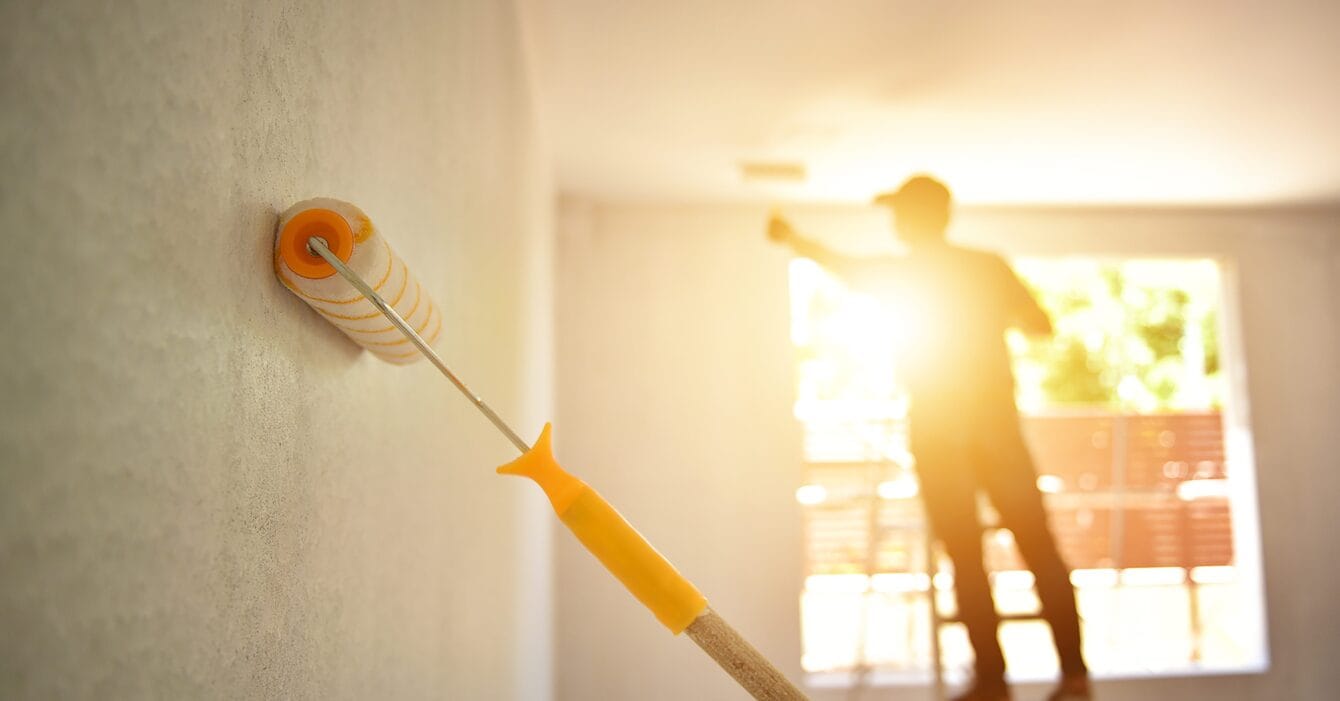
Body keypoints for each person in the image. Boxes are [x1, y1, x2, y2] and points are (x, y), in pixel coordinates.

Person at [768, 175, 1090, 701]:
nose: (893, 223)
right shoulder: (984, 266)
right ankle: (1070, 678)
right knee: (1035, 546)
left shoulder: (906, 274)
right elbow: (1039, 325)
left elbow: (845, 265)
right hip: (992, 427)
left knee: (966, 552)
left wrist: (794, 238)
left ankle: (994, 681)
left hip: (944, 431)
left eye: (898, 214)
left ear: (916, 219)